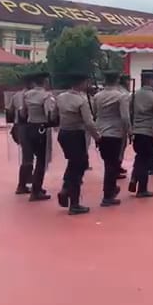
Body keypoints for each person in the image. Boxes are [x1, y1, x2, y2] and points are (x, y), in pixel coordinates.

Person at [54, 72, 100, 215]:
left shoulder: (60, 97)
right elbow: (89, 123)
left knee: (73, 163)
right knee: (78, 168)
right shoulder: (81, 100)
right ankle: (74, 202)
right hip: (76, 134)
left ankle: (66, 188)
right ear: (82, 84)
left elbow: (54, 115)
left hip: (64, 133)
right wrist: (97, 137)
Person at [92, 71, 131, 206]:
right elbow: (125, 117)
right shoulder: (121, 96)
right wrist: (129, 131)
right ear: (117, 80)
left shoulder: (97, 96)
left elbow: (95, 114)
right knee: (112, 165)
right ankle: (108, 195)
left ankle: (111, 190)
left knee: (108, 163)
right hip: (115, 132)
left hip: (101, 132)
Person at [18, 71, 55, 202]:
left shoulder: (27, 94)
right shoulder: (46, 96)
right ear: (45, 82)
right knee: (41, 160)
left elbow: (23, 114)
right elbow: (49, 114)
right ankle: (36, 190)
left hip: (29, 127)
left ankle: (32, 186)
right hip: (41, 128)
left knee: (30, 158)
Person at [130, 71, 153, 198]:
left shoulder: (134, 95)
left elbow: (130, 112)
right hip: (148, 131)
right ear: (149, 81)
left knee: (139, 157)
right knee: (145, 161)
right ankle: (142, 189)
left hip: (136, 131)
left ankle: (134, 177)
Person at [8, 74, 32, 194]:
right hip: (29, 126)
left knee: (26, 155)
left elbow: (10, 111)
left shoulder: (16, 95)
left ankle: (27, 181)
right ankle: (23, 184)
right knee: (29, 156)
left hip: (18, 127)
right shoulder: (31, 96)